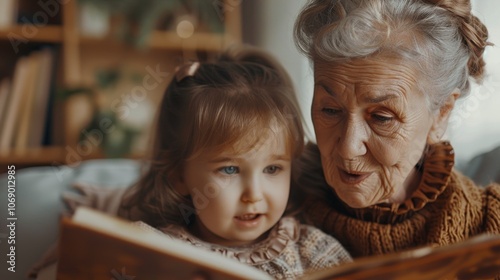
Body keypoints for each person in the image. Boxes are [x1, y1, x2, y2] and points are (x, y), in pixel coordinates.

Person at [119, 48, 352, 279]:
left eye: (272, 168)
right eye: (229, 169)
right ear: (179, 176)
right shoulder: (155, 252)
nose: (253, 195)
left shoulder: (312, 252)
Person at [293, 0, 500, 258]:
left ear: (441, 115)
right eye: (330, 110)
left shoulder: (490, 227)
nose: (348, 148)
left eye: (381, 118)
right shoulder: (269, 204)